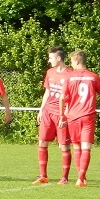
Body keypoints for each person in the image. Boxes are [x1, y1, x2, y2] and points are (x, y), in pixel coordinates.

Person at [58, 50, 100, 187]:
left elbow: (62, 98)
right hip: (88, 116)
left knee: (77, 146)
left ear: (76, 61)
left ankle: (81, 178)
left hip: (73, 116)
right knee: (86, 146)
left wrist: (62, 115)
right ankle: (81, 178)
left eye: (71, 61)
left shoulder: (69, 77)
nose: (71, 64)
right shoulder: (94, 77)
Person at [35, 46, 71, 185]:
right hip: (48, 113)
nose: (49, 61)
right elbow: (47, 92)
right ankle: (43, 175)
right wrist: (41, 110)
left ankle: (64, 177)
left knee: (63, 146)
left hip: (61, 113)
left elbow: (72, 97)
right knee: (42, 142)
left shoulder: (70, 74)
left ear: (59, 58)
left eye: (51, 58)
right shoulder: (50, 72)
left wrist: (65, 115)